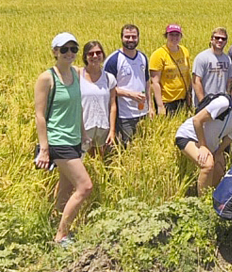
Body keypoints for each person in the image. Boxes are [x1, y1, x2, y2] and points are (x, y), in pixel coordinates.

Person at [34, 33, 93, 246]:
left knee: (67, 188)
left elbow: (77, 108)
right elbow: (40, 115)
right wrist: (44, 149)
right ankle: (61, 235)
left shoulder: (76, 74)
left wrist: (84, 133)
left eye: (73, 49)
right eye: (64, 49)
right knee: (85, 186)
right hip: (58, 141)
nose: (70, 53)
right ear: (55, 52)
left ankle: (52, 224)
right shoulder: (47, 78)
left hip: (74, 139)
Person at [174, 77, 232, 194]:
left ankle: (209, 196)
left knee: (219, 170)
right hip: (189, 135)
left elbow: (231, 137)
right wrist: (203, 146)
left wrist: (218, 152)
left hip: (211, 143)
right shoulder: (223, 103)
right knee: (207, 166)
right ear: (230, 91)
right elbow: (197, 120)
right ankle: (202, 205)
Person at [105, 24, 153, 147]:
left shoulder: (143, 58)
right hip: (124, 114)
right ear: (121, 38)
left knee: (144, 145)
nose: (131, 40)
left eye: (134, 37)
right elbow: (106, 87)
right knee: (127, 147)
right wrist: (130, 94)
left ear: (138, 38)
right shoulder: (114, 60)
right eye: (127, 37)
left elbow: (147, 83)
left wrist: (150, 107)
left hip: (143, 112)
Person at [79, 40, 117, 157]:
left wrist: (111, 130)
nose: (95, 56)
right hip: (83, 127)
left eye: (98, 53)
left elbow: (112, 105)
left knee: (99, 161)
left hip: (102, 127)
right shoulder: (77, 75)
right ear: (85, 57)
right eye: (91, 54)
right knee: (82, 161)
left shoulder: (108, 78)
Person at [149, 24, 191, 115]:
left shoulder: (185, 51)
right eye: (171, 34)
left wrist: (189, 95)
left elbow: (187, 75)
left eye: (177, 35)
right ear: (166, 36)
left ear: (181, 36)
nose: (174, 37)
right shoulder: (158, 54)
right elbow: (154, 82)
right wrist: (160, 105)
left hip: (182, 99)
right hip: (167, 100)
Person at [192, 27, 232, 105]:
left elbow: (229, 81)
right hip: (205, 102)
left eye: (223, 39)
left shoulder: (227, 59)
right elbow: (196, 81)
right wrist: (202, 102)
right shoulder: (202, 57)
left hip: (221, 103)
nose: (220, 40)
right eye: (217, 38)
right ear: (211, 39)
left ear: (226, 42)